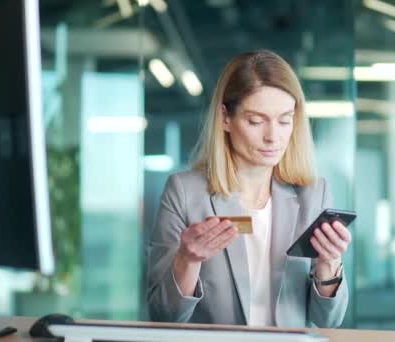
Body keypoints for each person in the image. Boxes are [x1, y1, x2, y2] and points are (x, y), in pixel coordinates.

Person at [146, 50, 351, 328]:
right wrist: (187, 260)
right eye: (256, 121)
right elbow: (163, 316)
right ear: (225, 118)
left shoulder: (314, 194)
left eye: (284, 120)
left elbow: (328, 321)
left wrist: (329, 264)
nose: (273, 136)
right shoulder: (185, 193)